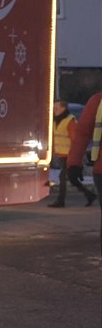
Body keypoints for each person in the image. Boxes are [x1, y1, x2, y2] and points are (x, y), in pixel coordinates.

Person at [65, 91, 101, 227]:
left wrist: (74, 164)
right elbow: (82, 134)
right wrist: (74, 163)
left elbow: (82, 134)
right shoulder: (98, 101)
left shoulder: (97, 101)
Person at [49, 99, 92, 207]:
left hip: (69, 155)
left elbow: (74, 140)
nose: (54, 110)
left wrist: (75, 156)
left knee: (62, 177)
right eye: (54, 108)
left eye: (56, 108)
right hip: (61, 154)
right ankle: (89, 195)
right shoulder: (55, 120)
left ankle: (60, 201)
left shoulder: (69, 121)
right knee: (71, 179)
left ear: (63, 108)